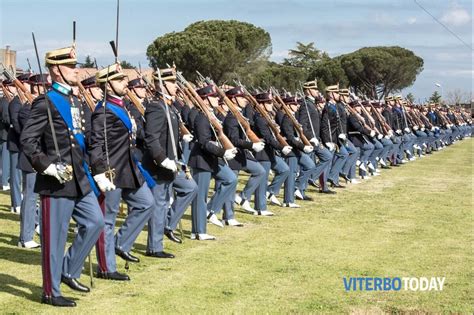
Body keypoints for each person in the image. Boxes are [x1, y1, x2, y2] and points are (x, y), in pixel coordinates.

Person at [20, 44, 104, 307]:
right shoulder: (45, 102)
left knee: (95, 222)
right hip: (56, 180)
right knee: (54, 240)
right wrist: (46, 165)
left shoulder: (74, 100)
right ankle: (50, 291)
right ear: (56, 70)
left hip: (79, 177)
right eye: (70, 66)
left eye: (75, 66)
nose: (75, 71)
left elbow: (80, 139)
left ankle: (67, 270)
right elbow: (28, 140)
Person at [90, 63, 154, 281]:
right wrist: (99, 171)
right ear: (107, 85)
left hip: (129, 169)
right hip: (111, 171)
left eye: (124, 79)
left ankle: (120, 243)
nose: (125, 82)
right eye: (119, 80)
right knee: (107, 220)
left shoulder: (121, 105)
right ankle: (106, 268)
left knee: (147, 203)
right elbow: (96, 144)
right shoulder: (104, 111)